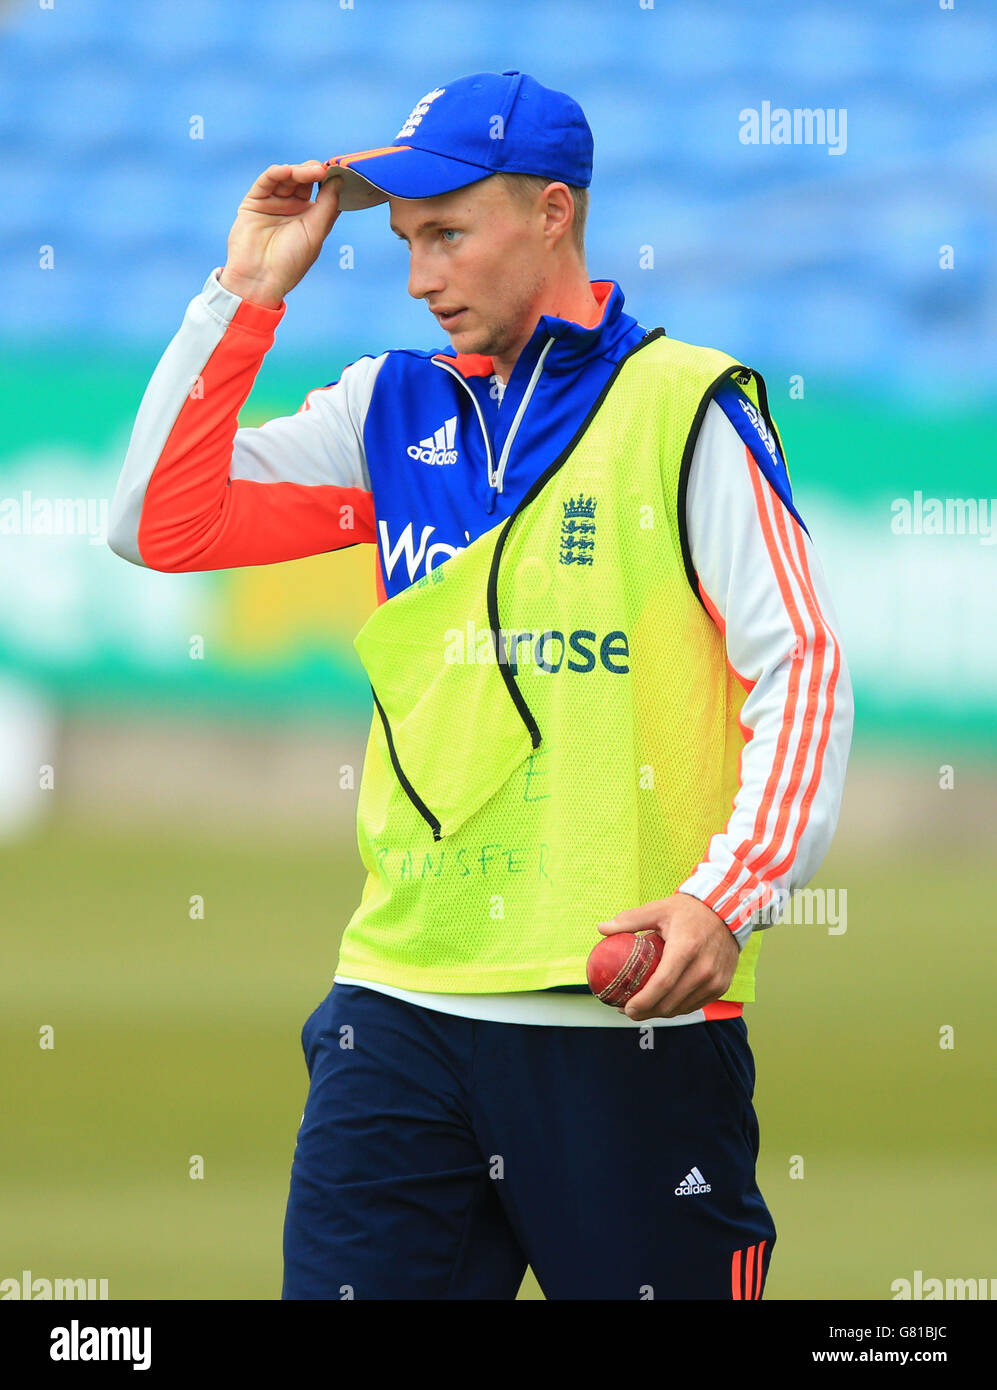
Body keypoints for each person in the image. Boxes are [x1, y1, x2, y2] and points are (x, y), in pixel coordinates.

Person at [107, 69, 854, 1300]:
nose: (418, 277)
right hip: (396, 1005)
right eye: (404, 243)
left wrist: (726, 895)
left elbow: (802, 664)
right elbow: (158, 523)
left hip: (624, 1017)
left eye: (446, 234)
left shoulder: (686, 409)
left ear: (554, 213)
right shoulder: (388, 413)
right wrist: (243, 292)